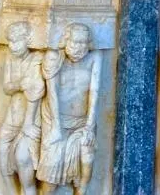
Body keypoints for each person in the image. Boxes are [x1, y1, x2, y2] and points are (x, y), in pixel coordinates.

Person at [37, 24, 101, 195]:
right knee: (50, 177)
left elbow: (94, 93)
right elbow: (53, 94)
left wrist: (89, 126)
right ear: (66, 40)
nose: (79, 48)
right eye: (75, 42)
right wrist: (56, 128)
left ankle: (82, 190)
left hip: (82, 123)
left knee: (87, 158)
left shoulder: (95, 58)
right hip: (57, 122)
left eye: (83, 43)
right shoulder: (54, 58)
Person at [0, 22, 45, 195]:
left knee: (23, 160)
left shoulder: (37, 58)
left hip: (31, 120)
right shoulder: (11, 58)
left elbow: (36, 90)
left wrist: (28, 124)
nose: (12, 46)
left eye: (17, 41)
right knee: (2, 156)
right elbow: (7, 87)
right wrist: (20, 84)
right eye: (10, 41)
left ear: (28, 39)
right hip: (12, 116)